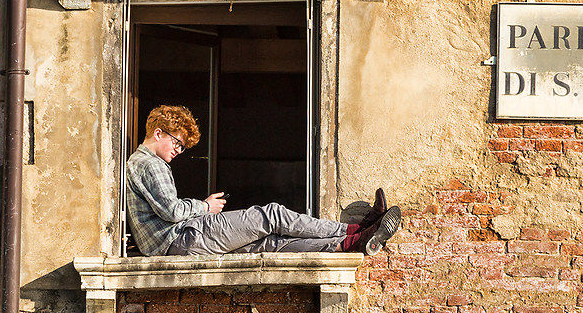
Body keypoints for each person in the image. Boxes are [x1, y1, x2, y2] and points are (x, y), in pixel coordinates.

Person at [126, 105, 400, 256]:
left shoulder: (138, 164)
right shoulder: (151, 164)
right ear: (158, 133)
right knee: (271, 215)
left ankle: (352, 242)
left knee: (271, 243)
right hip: (183, 237)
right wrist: (205, 206)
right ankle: (352, 229)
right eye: (177, 143)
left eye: (182, 146)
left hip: (177, 244)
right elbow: (173, 211)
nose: (179, 150)